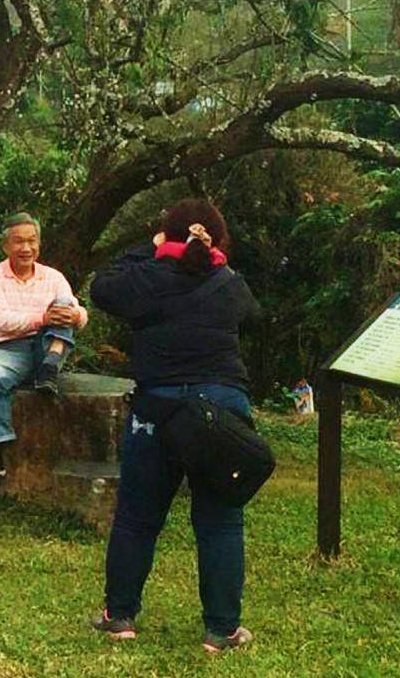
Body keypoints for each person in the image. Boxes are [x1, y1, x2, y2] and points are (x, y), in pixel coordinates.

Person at [89, 199, 259, 654]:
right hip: (221, 407)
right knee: (221, 521)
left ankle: (119, 616)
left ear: (168, 237)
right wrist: (206, 254)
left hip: (158, 409)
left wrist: (152, 249)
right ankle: (221, 631)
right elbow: (251, 314)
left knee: (137, 517)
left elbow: (102, 287)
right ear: (217, 242)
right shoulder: (229, 283)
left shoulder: (146, 278)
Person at [0, 213, 88, 480]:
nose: (26, 248)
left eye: (31, 241)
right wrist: (42, 318)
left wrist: (76, 315)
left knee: (66, 305)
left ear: (39, 244)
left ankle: (51, 366)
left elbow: (80, 315)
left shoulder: (53, 277)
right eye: (19, 242)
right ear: (6, 246)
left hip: (50, 344)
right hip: (11, 348)